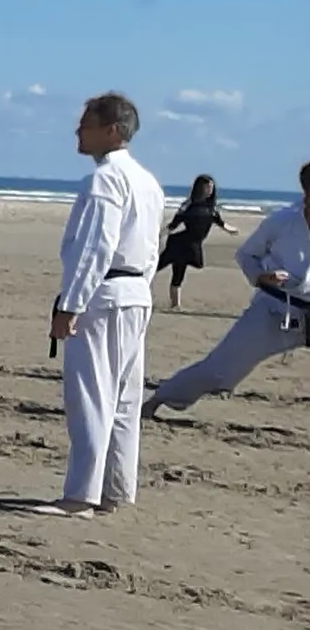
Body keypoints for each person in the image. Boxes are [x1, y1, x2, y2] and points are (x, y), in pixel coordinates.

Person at [36, 91, 166, 517]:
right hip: (134, 294)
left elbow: (95, 247)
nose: (78, 131)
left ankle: (80, 496)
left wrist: (70, 305)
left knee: (91, 395)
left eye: (86, 124)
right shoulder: (147, 181)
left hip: (105, 293)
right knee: (124, 400)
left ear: (111, 130)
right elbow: (150, 251)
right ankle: (115, 490)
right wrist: (140, 289)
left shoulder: (105, 179)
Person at [148, 164, 310, 421]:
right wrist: (260, 276)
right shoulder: (281, 222)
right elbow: (246, 254)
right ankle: (159, 399)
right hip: (275, 310)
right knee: (220, 368)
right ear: (306, 193)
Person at [159, 175, 228, 311]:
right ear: (199, 187)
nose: (210, 189)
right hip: (178, 243)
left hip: (193, 245)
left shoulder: (211, 208)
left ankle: (175, 305)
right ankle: (141, 288)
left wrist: (231, 229)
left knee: (179, 272)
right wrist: (160, 234)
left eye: (212, 187)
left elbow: (222, 223)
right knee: (157, 266)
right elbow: (174, 224)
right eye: (207, 186)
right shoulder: (188, 205)